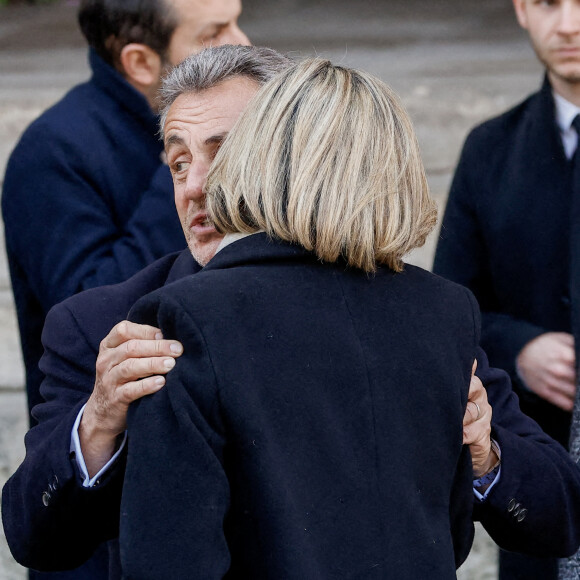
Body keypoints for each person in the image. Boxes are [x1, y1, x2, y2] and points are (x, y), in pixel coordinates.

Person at [4, 45, 580, 579]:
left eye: (224, 152)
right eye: (178, 164)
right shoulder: (104, 324)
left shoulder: (417, 313)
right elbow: (33, 537)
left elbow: (559, 510)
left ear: (293, 152)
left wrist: (486, 455)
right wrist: (98, 422)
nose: (196, 187)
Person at [1, 0, 249, 426]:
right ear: (139, 62)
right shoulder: (52, 153)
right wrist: (185, 166)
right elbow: (86, 321)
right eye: (214, 33)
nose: (241, 42)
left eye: (238, 22)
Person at [432, 1, 580, 578]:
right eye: (547, 2)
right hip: (536, 476)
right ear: (520, 8)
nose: (568, 24)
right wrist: (520, 347)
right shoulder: (488, 149)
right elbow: (449, 306)